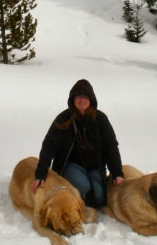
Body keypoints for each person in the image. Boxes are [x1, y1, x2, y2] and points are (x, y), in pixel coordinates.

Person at [33, 79, 124, 208]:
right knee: (84, 187)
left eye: (85, 97)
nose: (82, 100)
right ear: (73, 99)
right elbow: (49, 145)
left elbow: (111, 147)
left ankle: (88, 202)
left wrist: (117, 173)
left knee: (99, 197)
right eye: (79, 97)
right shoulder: (64, 118)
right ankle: (77, 206)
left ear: (91, 99)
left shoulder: (100, 119)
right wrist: (41, 174)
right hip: (72, 165)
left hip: (95, 166)